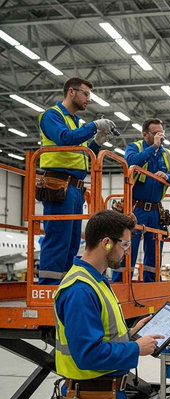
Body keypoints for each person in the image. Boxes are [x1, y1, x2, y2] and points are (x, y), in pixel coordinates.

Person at [53, 209, 163, 399]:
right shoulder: (81, 290)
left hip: (104, 397)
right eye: (124, 244)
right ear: (106, 243)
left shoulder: (97, 281)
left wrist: (130, 335)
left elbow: (101, 334)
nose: (126, 251)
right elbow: (88, 354)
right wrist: (135, 349)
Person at [38, 77, 116, 285]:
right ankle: (47, 289)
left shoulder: (76, 123)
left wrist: (97, 142)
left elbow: (83, 154)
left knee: (72, 242)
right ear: (71, 92)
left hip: (75, 188)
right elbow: (64, 138)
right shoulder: (52, 116)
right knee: (58, 239)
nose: (88, 99)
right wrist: (93, 126)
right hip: (59, 185)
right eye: (86, 93)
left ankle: (64, 285)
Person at [111, 118, 170, 283]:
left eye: (161, 132)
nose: (160, 136)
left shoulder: (168, 155)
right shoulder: (134, 147)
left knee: (154, 251)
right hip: (134, 208)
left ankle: (152, 284)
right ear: (145, 134)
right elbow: (131, 163)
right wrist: (153, 148)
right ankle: (121, 283)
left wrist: (168, 176)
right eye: (155, 133)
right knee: (127, 247)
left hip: (155, 211)